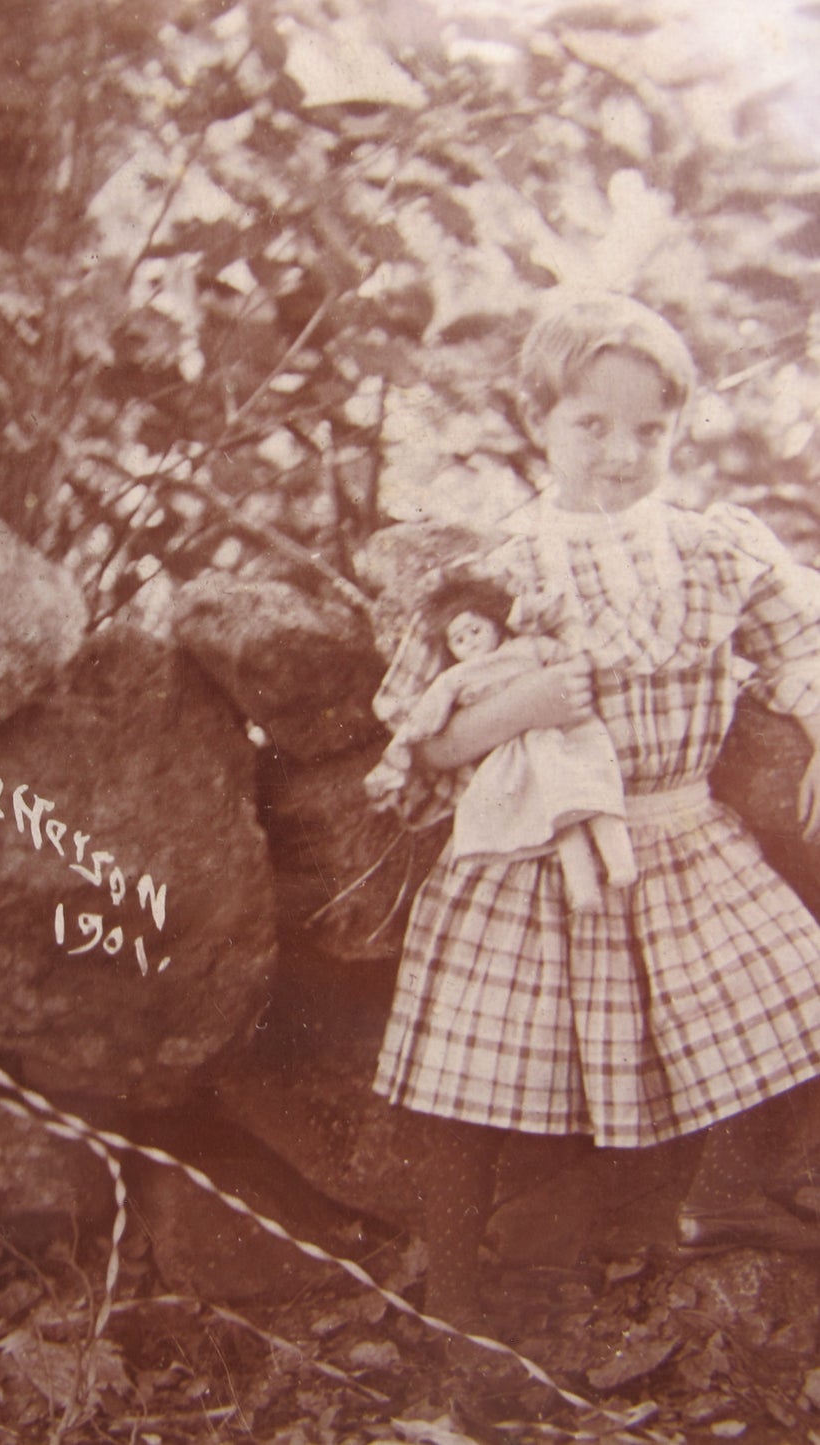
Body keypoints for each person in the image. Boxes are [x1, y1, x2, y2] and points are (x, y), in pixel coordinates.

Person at [368, 289, 820, 1332]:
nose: (621, 454)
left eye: (648, 429)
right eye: (591, 425)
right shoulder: (499, 569)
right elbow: (418, 734)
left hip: (680, 830)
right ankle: (455, 1286)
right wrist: (514, 707)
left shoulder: (710, 549)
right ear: (538, 424)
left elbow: (803, 640)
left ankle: (726, 1189)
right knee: (475, 1067)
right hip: (532, 851)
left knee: (795, 991)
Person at [364, 571, 635, 913]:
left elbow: (570, 657)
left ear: (494, 625)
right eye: (459, 640)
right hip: (523, 753)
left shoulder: (527, 646)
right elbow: (422, 720)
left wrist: (573, 672)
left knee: (592, 791)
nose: (471, 642)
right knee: (556, 810)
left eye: (475, 630)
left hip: (566, 734)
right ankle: (583, 888)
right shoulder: (457, 676)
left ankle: (620, 860)